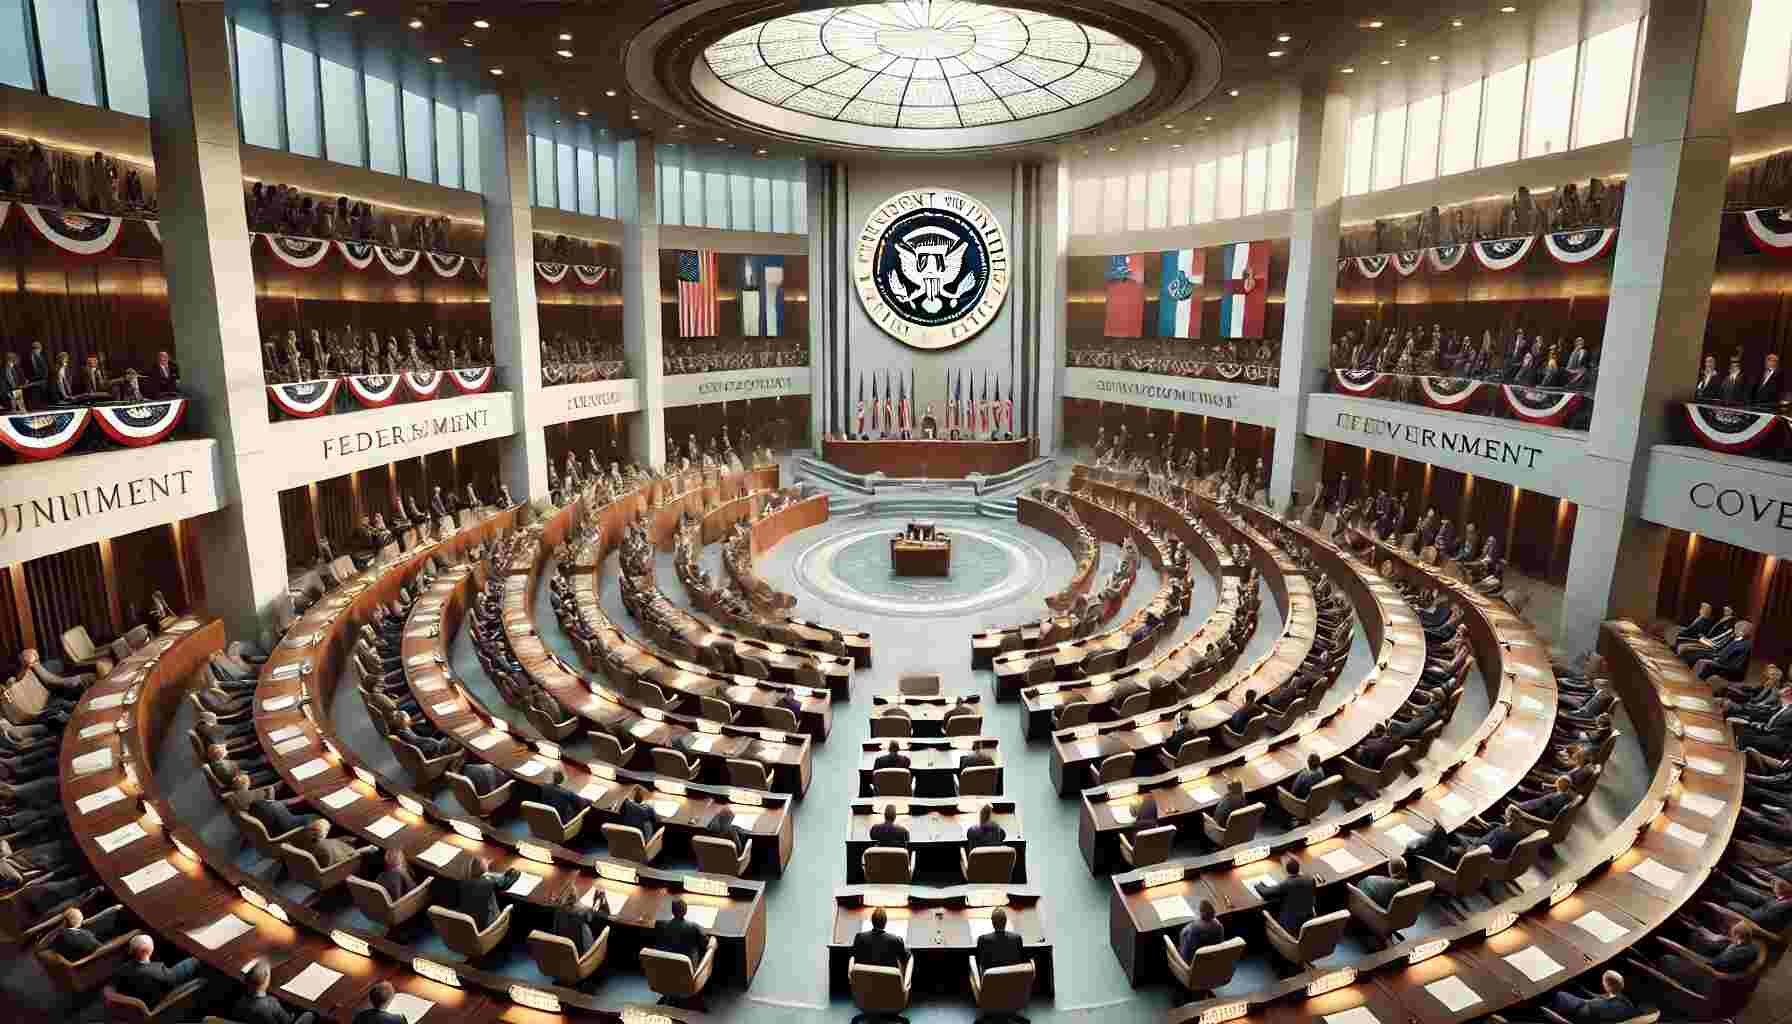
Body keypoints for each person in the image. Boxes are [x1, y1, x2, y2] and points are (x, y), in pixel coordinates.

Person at [1642, 920, 1762, 994]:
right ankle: (1690, 930)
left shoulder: (1727, 957)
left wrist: (1686, 953)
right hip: (1722, 959)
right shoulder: (1755, 948)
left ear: (1738, 937)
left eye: (1732, 934)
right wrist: (1721, 939)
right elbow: (1729, 946)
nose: (1730, 935)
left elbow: (1710, 964)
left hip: (1710, 967)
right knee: (1699, 934)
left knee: (1669, 956)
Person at [113, 934, 202, 1007]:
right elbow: (172, 980)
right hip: (156, 1003)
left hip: (137, 1001)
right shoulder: (159, 973)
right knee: (194, 961)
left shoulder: (121, 969)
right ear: (149, 951)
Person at [234, 958, 318, 1024]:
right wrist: (292, 1016)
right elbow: (287, 1021)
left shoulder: (241, 1001)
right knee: (309, 1015)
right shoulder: (271, 1003)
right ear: (266, 982)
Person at [457, 856, 521, 930]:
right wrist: (516, 868)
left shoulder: (464, 881)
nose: (488, 861)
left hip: (468, 924)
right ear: (481, 867)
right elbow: (509, 879)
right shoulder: (488, 882)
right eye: (485, 861)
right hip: (488, 927)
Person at [42, 905, 127, 960]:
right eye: (82, 917)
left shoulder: (61, 934)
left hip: (90, 938)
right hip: (99, 942)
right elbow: (104, 947)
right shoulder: (81, 938)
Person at [1551, 969, 1637, 1022]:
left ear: (1606, 985)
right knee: (1579, 991)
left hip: (1585, 1015)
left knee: (1560, 995)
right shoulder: (1625, 1001)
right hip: (1602, 1013)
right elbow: (1600, 997)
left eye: (1604, 982)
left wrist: (1585, 1000)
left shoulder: (1597, 1004)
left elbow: (1584, 1009)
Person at [1259, 856, 1318, 934]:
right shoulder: (1310, 879)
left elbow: (1265, 893)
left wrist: (1258, 885)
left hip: (1289, 928)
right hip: (1308, 922)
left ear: (1286, 870)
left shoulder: (1287, 884)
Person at [550, 886, 605, 953]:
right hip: (583, 954)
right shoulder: (583, 911)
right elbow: (592, 913)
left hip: (561, 951)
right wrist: (598, 900)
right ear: (575, 897)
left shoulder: (558, 910)